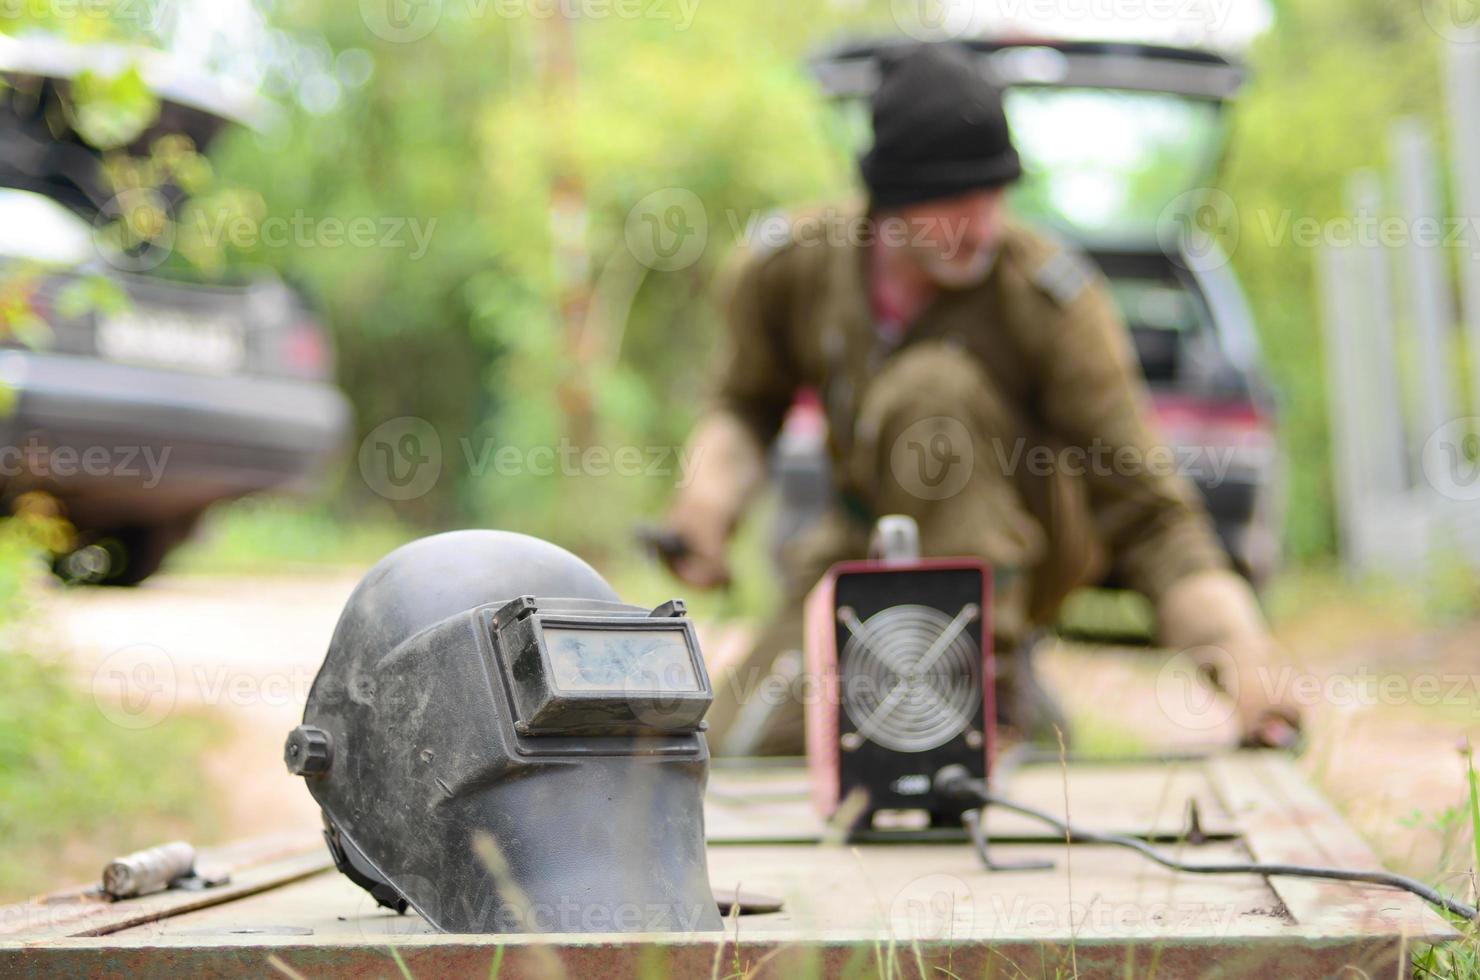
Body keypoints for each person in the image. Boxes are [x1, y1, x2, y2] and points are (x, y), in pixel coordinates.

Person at [658, 42, 1301, 756]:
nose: (982, 224)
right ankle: (980, 695)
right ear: (889, 202)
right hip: (862, 542)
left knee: (933, 392)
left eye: (991, 195)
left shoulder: (1048, 299)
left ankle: (990, 687)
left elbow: (1149, 509)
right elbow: (746, 405)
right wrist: (706, 509)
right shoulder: (792, 270)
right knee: (741, 747)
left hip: (1021, 545)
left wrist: (1239, 660)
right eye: (952, 202)